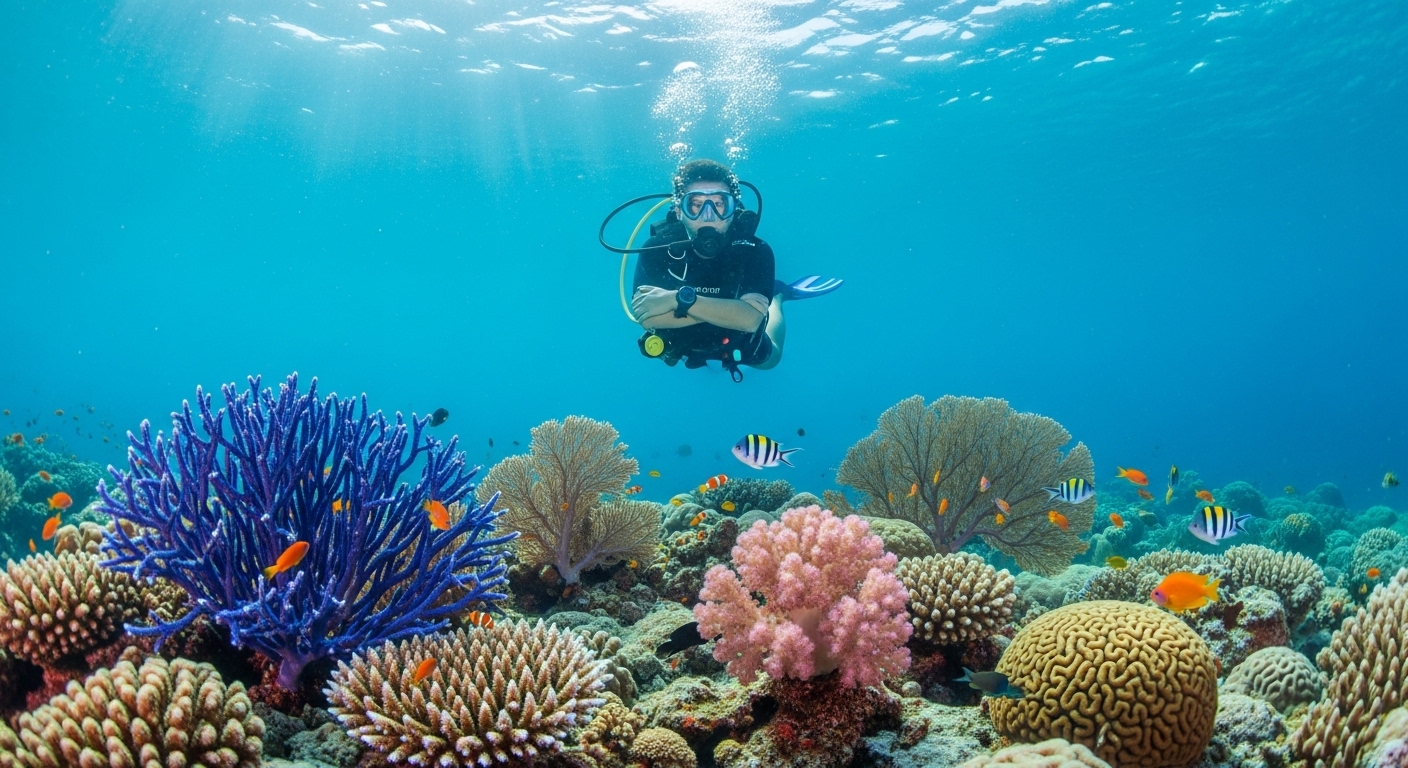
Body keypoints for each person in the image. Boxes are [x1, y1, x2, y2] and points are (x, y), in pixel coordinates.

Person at [630, 159, 841, 379]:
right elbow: (647, 318)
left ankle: (777, 297)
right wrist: (735, 311)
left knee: (772, 360)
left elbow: (751, 321)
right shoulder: (656, 249)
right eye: (696, 204)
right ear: (679, 210)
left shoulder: (755, 251)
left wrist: (678, 300)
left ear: (734, 209)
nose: (708, 216)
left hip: (741, 344)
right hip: (683, 346)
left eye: (720, 204)